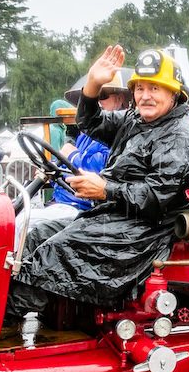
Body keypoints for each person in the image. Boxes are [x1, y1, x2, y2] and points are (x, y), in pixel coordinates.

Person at [3, 45, 189, 333]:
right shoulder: (138, 120)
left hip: (144, 233)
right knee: (36, 235)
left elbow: (157, 196)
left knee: (53, 253)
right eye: (140, 88)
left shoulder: (181, 136)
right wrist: (93, 85)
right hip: (115, 218)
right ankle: (17, 319)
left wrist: (106, 190)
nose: (145, 96)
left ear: (174, 93)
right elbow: (92, 122)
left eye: (155, 88)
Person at [23, 70, 131, 255]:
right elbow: (68, 171)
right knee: (15, 220)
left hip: (86, 211)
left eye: (103, 95)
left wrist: (71, 156)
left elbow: (101, 170)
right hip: (63, 203)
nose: (97, 101)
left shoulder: (123, 132)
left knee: (26, 227)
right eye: (93, 96)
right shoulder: (86, 134)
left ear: (120, 98)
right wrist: (52, 172)